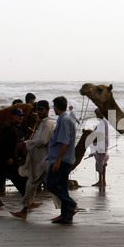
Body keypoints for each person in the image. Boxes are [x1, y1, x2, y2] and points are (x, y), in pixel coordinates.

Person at [10, 100, 57, 220]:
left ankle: (69, 208)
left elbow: (42, 141)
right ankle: (24, 210)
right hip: (38, 160)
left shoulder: (48, 123)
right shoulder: (42, 123)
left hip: (44, 160)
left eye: (42, 110)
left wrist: (25, 143)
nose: (39, 112)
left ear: (47, 110)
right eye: (38, 109)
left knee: (52, 187)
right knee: (30, 185)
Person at [0, 107, 27, 210]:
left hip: (2, 160)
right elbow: (4, 146)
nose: (20, 118)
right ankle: (27, 202)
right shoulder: (11, 130)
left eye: (21, 116)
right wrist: (8, 158)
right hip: (5, 161)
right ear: (12, 116)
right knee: (19, 181)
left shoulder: (12, 129)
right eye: (18, 116)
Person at [47, 96, 79, 224]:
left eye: (53, 107)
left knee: (51, 184)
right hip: (62, 159)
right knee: (62, 187)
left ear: (56, 107)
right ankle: (66, 215)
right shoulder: (64, 119)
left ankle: (72, 205)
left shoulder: (64, 120)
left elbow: (64, 143)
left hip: (62, 160)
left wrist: (58, 160)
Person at [89, 108, 109, 186]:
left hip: (101, 146)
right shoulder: (104, 122)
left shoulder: (102, 123)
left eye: (99, 114)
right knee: (103, 163)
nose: (97, 116)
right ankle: (103, 180)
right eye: (96, 114)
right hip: (104, 146)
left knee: (100, 164)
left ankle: (101, 181)